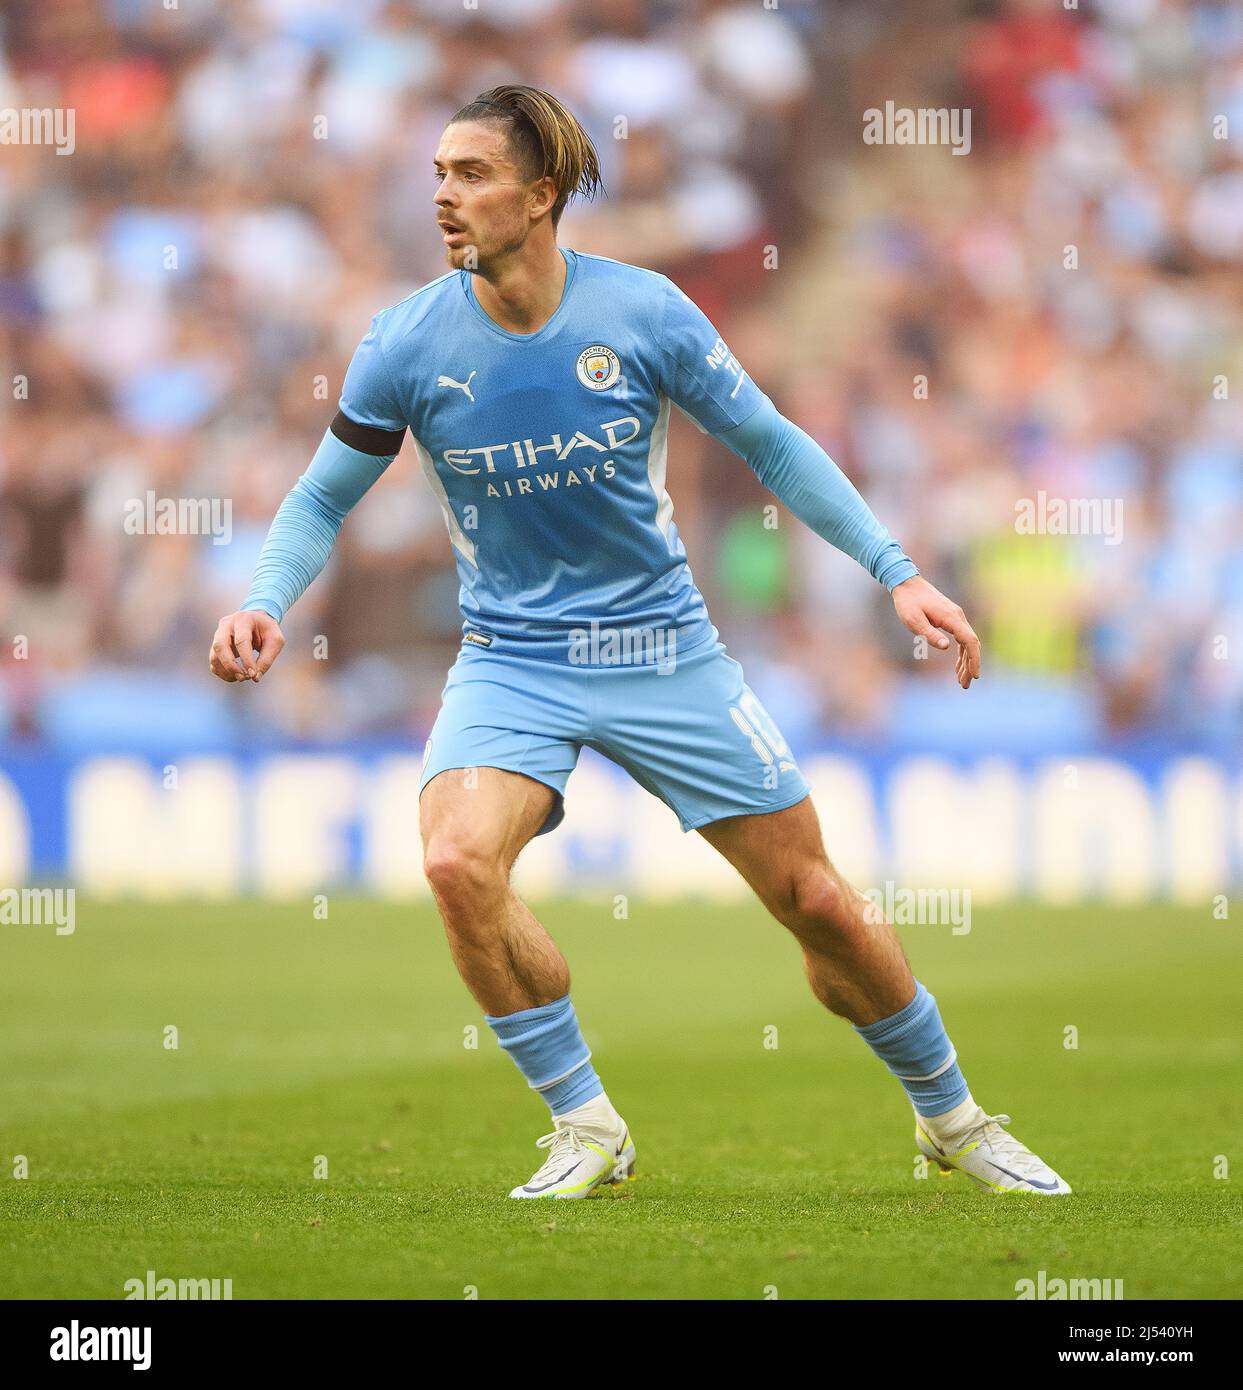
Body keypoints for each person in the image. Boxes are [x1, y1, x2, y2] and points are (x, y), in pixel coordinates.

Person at [210, 85, 1070, 1199]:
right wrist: (267, 595)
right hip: (513, 657)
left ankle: (950, 1117)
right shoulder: (406, 343)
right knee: (454, 860)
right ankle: (586, 1124)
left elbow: (770, 443)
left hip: (662, 649)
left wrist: (895, 571)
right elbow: (324, 496)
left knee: (814, 902)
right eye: (437, 173)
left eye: (470, 174)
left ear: (542, 194)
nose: (443, 195)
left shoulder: (646, 314)